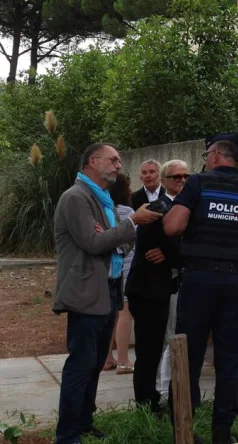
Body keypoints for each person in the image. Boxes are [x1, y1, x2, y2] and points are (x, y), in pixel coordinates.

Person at [163, 138, 238, 444]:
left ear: (216, 156)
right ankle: (223, 433)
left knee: (188, 356)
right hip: (235, 284)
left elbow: (172, 227)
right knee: (229, 360)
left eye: (207, 155)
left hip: (198, 280)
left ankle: (185, 431)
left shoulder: (198, 184)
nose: (205, 160)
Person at [52, 143, 159, 444]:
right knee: (81, 363)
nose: (118, 166)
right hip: (87, 291)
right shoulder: (76, 197)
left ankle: (84, 422)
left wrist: (114, 235)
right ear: (92, 161)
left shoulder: (103, 199)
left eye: (119, 161)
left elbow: (119, 244)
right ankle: (67, 434)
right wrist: (131, 223)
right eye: (113, 160)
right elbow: (94, 243)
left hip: (108, 288)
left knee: (97, 361)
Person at [126, 160, 189, 414]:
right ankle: (146, 404)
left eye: (186, 176)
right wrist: (172, 254)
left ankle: (152, 396)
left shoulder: (181, 206)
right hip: (148, 289)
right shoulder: (159, 207)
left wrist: (170, 253)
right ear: (163, 181)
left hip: (164, 286)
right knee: (149, 349)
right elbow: (152, 247)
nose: (182, 181)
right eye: (176, 177)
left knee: (160, 344)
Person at [104, 174, 136, 375]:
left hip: (108, 268)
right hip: (126, 266)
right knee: (125, 314)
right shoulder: (128, 212)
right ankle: (123, 360)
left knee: (111, 316)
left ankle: (107, 359)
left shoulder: (104, 210)